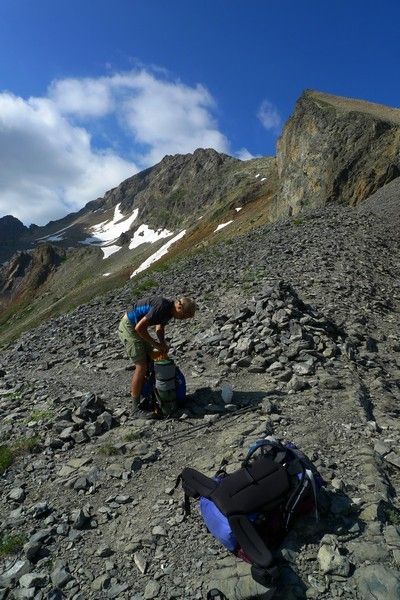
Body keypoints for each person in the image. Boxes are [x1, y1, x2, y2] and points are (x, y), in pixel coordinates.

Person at [118, 295, 196, 416]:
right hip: (129, 326)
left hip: (137, 327)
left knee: (150, 361)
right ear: (179, 307)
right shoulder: (162, 307)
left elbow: (159, 327)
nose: (182, 319)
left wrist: (162, 343)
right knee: (141, 366)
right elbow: (139, 328)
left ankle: (146, 396)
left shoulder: (170, 311)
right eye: (183, 316)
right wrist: (156, 344)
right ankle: (135, 409)